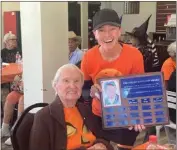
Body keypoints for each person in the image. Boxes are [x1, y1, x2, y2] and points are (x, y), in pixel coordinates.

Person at [81, 8, 146, 150]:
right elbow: (85, 89)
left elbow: (139, 90)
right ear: (95, 34)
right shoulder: (88, 57)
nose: (107, 35)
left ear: (120, 31)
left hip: (125, 117)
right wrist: (91, 93)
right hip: (97, 115)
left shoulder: (134, 55)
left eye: (112, 29)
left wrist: (139, 114)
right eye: (101, 30)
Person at [29, 64, 114, 150]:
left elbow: (100, 137)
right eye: (66, 81)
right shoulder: (43, 117)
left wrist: (101, 145)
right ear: (55, 85)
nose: (72, 86)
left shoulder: (85, 109)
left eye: (76, 81)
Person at [1, 75, 24, 145]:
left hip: (37, 90)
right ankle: (5, 128)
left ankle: (18, 131)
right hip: (23, 89)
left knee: (22, 100)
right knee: (11, 96)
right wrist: (18, 81)